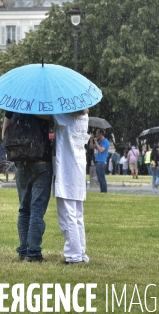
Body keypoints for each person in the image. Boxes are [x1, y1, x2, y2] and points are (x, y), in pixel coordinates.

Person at [2, 111, 52, 262]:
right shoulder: (44, 104)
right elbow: (56, 123)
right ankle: (33, 252)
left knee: (24, 209)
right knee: (37, 209)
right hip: (41, 160)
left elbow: (3, 136)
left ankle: (23, 250)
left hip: (20, 162)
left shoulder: (14, 104)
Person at [53, 109, 90, 264]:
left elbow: (45, 113)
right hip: (79, 167)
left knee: (67, 215)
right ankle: (81, 252)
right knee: (77, 215)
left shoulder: (64, 117)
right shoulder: (84, 117)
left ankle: (73, 254)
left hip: (66, 170)